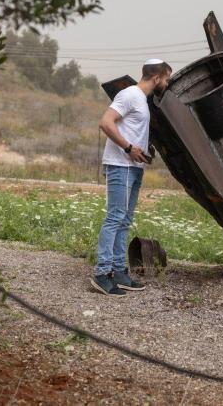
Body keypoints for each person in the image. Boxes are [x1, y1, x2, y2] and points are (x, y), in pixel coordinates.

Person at [91, 59, 172, 296]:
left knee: (124, 220)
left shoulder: (142, 100)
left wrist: (143, 149)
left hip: (133, 167)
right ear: (156, 78)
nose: (167, 83)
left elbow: (132, 130)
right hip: (120, 165)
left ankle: (119, 272)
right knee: (115, 217)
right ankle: (101, 274)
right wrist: (128, 148)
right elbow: (105, 122)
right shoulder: (129, 95)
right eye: (167, 79)